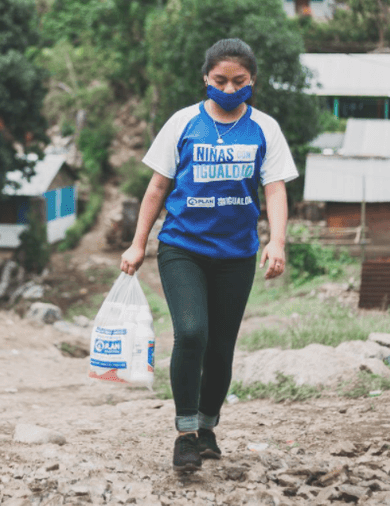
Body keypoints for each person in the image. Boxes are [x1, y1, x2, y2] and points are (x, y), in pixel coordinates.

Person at [120, 38, 298, 473]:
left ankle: (207, 428)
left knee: (220, 348)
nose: (229, 87)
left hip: (236, 254)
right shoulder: (183, 123)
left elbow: (274, 188)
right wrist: (138, 243)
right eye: (220, 80)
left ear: (251, 80)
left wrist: (276, 242)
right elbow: (157, 188)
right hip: (183, 248)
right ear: (206, 78)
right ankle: (184, 436)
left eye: (239, 81)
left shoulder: (265, 128)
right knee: (193, 333)